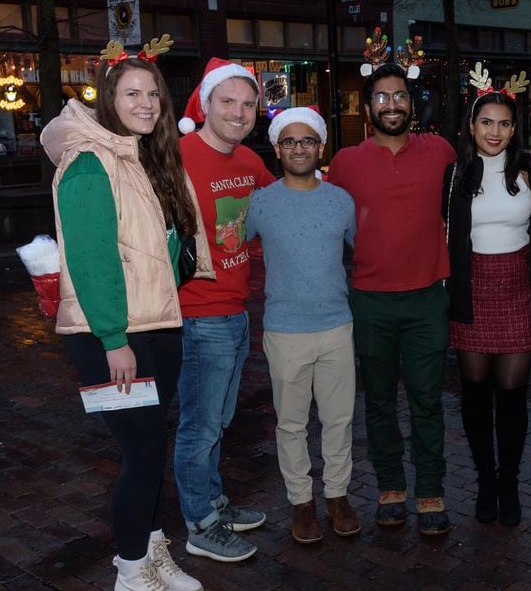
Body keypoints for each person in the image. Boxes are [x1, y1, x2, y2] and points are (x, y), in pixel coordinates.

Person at [41, 38, 212, 591]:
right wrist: (115, 339)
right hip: (112, 335)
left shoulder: (146, 159)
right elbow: (92, 264)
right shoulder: (90, 162)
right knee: (140, 451)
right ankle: (133, 572)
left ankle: (150, 550)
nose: (145, 103)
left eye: (153, 93)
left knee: (150, 447)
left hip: (157, 325)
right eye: (131, 92)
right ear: (107, 97)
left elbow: (154, 249)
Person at [327, 62, 456, 536]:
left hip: (427, 298)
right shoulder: (345, 163)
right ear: (367, 108)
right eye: (381, 97)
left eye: (399, 96)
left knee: (427, 400)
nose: (392, 105)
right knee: (378, 400)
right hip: (370, 301)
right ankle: (390, 487)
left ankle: (429, 489)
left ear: (412, 103)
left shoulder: (441, 152)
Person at [174, 58, 276, 562]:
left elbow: (281, 204)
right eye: (227, 102)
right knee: (200, 424)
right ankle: (200, 523)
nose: (238, 112)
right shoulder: (177, 157)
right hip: (198, 314)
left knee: (221, 418)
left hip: (236, 309)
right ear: (207, 104)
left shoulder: (249, 163)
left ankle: (212, 500)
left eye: (247, 103)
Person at [246, 107, 359, 544]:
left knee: (339, 420)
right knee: (291, 424)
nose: (298, 148)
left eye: (307, 140)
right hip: (285, 328)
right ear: (277, 148)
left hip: (336, 325)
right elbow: (228, 248)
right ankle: (301, 503)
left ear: (321, 147)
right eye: (290, 141)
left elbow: (365, 252)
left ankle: (337, 496)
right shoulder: (260, 203)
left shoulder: (341, 201)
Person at [444, 76, 531, 527]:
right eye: (486, 122)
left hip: (519, 288)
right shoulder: (454, 175)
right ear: (471, 125)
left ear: (514, 129)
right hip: (472, 289)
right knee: (474, 394)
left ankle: (509, 482)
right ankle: (485, 480)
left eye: (504, 124)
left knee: (512, 396)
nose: (495, 131)